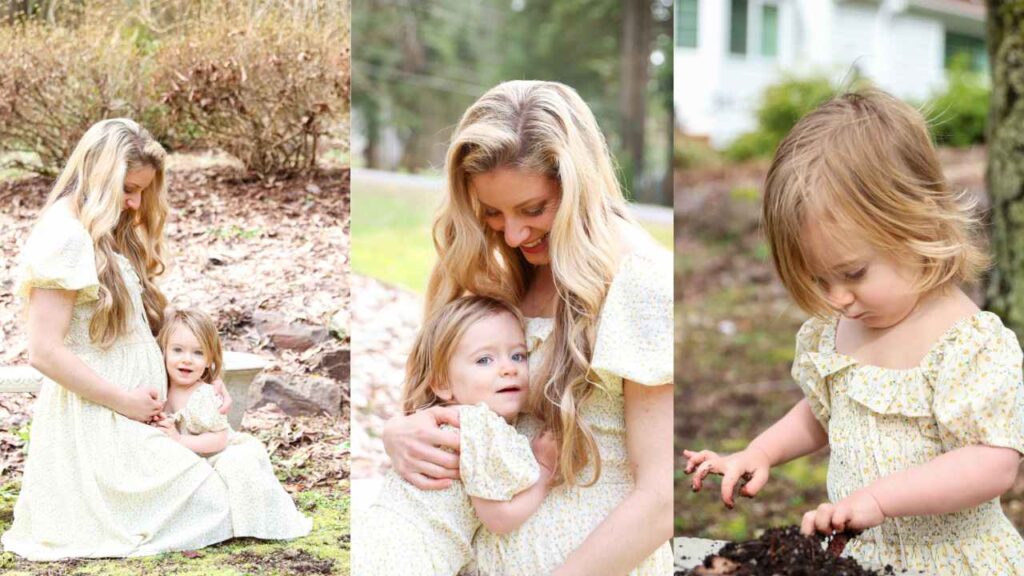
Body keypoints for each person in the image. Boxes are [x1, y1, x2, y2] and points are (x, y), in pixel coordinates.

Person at [685, 89, 1024, 574]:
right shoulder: (842, 327)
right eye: (819, 279)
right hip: (862, 558)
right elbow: (826, 410)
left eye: (853, 273)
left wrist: (882, 500)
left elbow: (993, 463)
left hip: (952, 561)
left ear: (917, 223)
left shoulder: (967, 343)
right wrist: (760, 451)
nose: (837, 297)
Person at [382, 81, 674, 576]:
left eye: (534, 210)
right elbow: (456, 399)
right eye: (493, 213)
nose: (514, 235)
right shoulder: (505, 271)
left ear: (577, 183)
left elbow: (661, 499)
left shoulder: (641, 281)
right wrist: (400, 432)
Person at [2, 119, 236, 560]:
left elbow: (143, 323)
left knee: (239, 475)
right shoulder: (64, 236)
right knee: (217, 500)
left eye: (142, 191)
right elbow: (44, 351)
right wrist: (122, 401)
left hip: (138, 416)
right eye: (129, 188)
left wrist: (207, 375)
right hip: (99, 420)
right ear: (97, 175)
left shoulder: (100, 229)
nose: (135, 203)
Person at [354, 296, 556, 576]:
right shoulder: (480, 425)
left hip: (377, 536)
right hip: (413, 556)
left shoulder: (442, 423)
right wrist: (545, 471)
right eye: (485, 360)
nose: (509, 368)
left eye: (518, 355)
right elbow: (499, 518)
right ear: (442, 383)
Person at [154, 308, 312, 540]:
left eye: (198, 353)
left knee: (237, 469)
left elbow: (219, 439)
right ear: (163, 352)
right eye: (178, 350)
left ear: (209, 361)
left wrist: (178, 440)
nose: (187, 359)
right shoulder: (162, 384)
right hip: (191, 450)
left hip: (217, 451)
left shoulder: (201, 395)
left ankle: (248, 524)